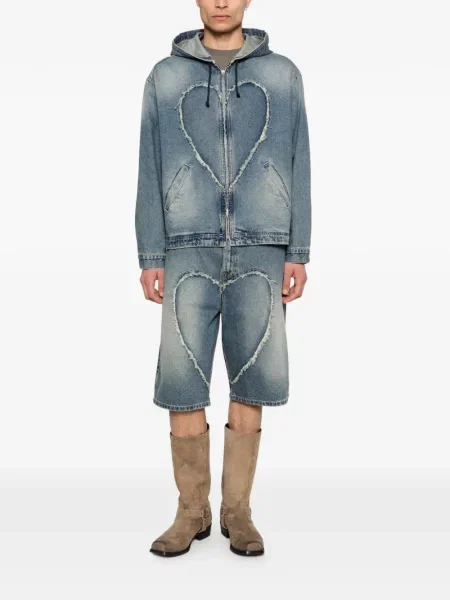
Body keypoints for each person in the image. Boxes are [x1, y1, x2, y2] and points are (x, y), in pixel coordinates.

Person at [135, 0, 311, 558]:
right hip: (186, 248)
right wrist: (150, 252)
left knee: (252, 380)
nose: (220, 2)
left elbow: (300, 159)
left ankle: (238, 511)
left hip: (263, 246)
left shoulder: (281, 75)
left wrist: (298, 249)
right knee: (182, 382)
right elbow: (148, 165)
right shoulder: (165, 78)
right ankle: (192, 511)